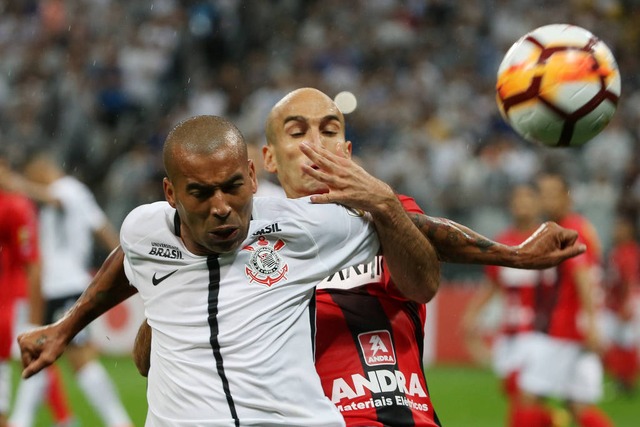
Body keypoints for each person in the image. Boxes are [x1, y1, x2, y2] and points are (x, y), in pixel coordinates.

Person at [133, 88, 587, 426]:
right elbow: (149, 357)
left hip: (402, 415)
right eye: (298, 132)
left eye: (330, 131)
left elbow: (422, 285)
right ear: (267, 162)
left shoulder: (392, 215)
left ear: (348, 152)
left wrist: (384, 205)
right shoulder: (239, 241)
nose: (316, 143)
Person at [15, 114, 442, 426]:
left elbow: (423, 248)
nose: (221, 207)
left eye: (233, 187)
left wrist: (387, 203)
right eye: (201, 193)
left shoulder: (304, 225)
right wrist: (64, 328)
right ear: (171, 193)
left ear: (253, 176)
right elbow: (127, 261)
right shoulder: (144, 230)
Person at [1, 153, 133, 427]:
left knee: (79, 358)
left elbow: (57, 200)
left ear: (44, 169)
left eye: (34, 174)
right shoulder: (62, 196)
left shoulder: (68, 189)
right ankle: (22, 420)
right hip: (50, 288)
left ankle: (118, 421)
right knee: (38, 355)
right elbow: (101, 227)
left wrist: (15, 182)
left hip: (67, 286)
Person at [514, 172, 613, 427]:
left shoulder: (570, 230)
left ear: (566, 196)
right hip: (577, 328)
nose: (546, 200)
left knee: (527, 398)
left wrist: (591, 324)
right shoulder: (584, 226)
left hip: (565, 328)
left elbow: (583, 277)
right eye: (543, 194)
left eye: (552, 194)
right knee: (577, 405)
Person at [462, 182, 556, 425]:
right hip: (511, 333)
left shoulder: (549, 239)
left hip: (541, 333)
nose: (521, 204)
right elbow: (492, 284)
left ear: (537, 203)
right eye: (517, 199)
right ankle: (557, 420)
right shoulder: (503, 241)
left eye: (527, 198)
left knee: (525, 398)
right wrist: (472, 315)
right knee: (517, 394)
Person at [0, 155, 74, 427]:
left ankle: (62, 419)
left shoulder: (17, 206)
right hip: (6, 297)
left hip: (14, 298)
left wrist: (34, 313)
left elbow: (32, 262)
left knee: (29, 355)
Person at [601, 213, 640, 394]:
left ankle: (628, 382)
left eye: (620, 228)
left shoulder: (629, 251)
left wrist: (626, 305)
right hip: (614, 303)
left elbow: (629, 280)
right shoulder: (616, 250)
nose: (616, 231)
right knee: (618, 342)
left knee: (626, 342)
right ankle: (621, 380)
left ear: (629, 231)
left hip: (625, 304)